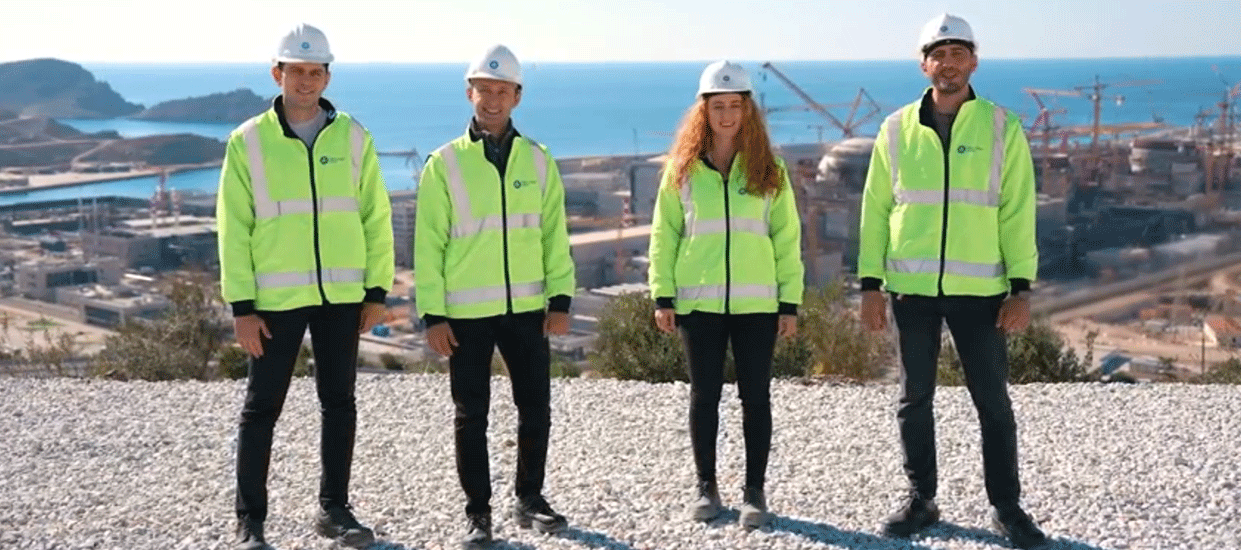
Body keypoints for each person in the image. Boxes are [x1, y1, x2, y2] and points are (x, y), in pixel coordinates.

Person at [857, 13, 1047, 549]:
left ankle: (1007, 508)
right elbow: (875, 210)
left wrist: (1021, 289)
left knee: (992, 401)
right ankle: (921, 499)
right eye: (938, 55)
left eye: (958, 53)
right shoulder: (895, 129)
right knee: (913, 398)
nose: (948, 63)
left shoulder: (1002, 126)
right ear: (924, 65)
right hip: (911, 289)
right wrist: (870, 285)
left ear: (974, 62)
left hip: (981, 292)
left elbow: (1018, 211)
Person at [217, 23, 393, 550]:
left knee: (339, 403)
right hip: (274, 301)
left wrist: (376, 291)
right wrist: (241, 307)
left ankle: (334, 511)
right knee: (261, 408)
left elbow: (376, 216)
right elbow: (233, 228)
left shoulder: (354, 136)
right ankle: (250, 522)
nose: (306, 81)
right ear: (278, 73)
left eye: (316, 72)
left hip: (341, 297)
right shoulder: (248, 141)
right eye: (297, 71)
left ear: (327, 77)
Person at [414, 44, 576, 549]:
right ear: (470, 93)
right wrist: (433, 315)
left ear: (517, 96)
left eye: (501, 91)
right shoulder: (443, 164)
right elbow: (428, 244)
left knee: (536, 408)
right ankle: (478, 514)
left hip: (526, 310)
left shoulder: (539, 160)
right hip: (466, 314)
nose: (492, 99)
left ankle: (530, 498)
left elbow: (554, 235)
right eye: (484, 89)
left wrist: (561, 299)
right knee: (471, 415)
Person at [648, 60, 804, 529]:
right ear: (704, 110)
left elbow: (787, 239)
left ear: (748, 110)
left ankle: (755, 492)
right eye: (718, 106)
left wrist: (789, 303)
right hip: (699, 304)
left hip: (758, 305)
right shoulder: (681, 171)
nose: (727, 115)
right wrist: (662, 295)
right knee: (704, 397)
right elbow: (664, 235)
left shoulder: (770, 170)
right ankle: (706, 487)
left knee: (756, 397)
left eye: (735, 105)